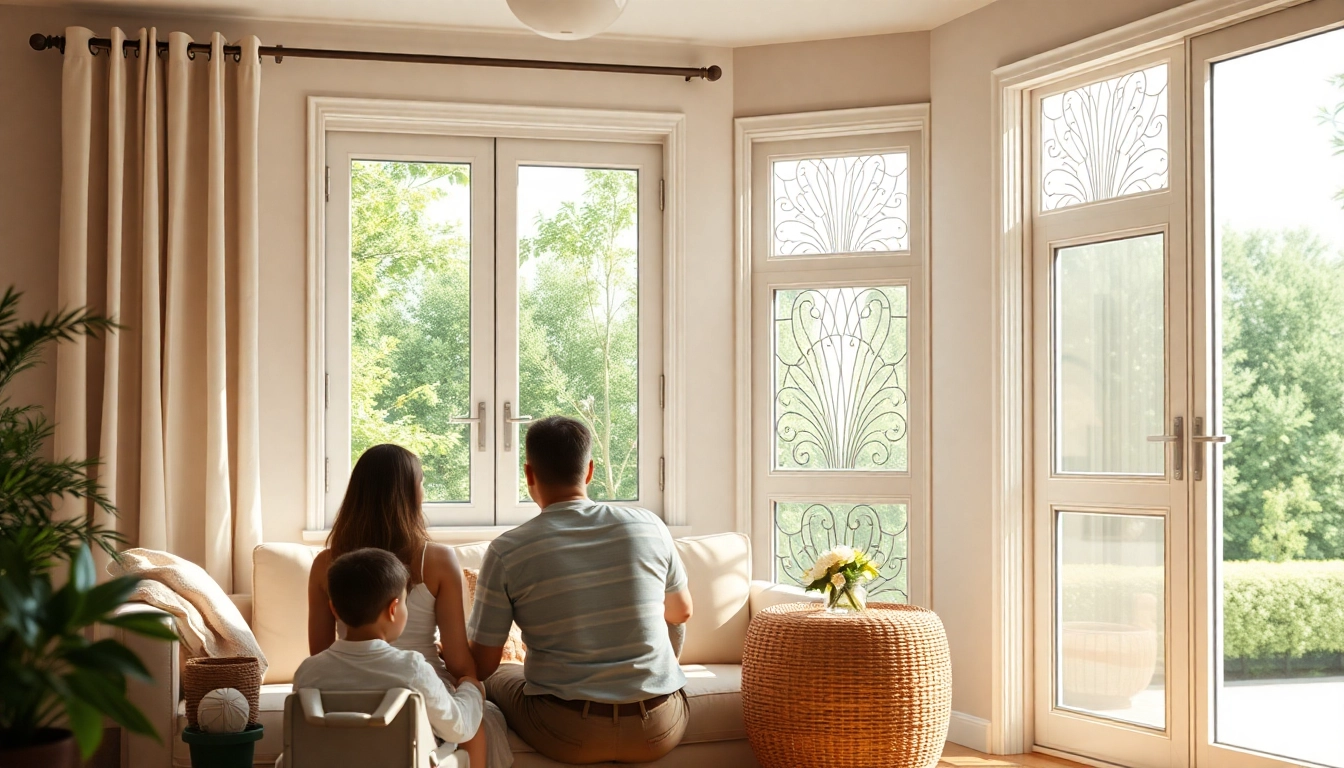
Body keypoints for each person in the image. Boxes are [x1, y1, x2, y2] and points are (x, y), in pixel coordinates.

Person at [467, 416, 694, 765]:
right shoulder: (650, 525)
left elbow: (482, 664)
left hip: (566, 732)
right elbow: (681, 613)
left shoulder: (508, 550)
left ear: (529, 475)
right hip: (660, 727)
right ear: (589, 471)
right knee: (669, 620)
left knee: (500, 672)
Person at [307, 444, 510, 768]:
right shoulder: (439, 560)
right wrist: (472, 686)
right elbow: (459, 661)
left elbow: (320, 652)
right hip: (420, 687)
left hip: (346, 692)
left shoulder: (324, 565)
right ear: (409, 494)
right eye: (422, 484)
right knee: (474, 727)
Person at [293, 548, 485, 749]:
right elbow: (457, 728)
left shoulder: (307, 672)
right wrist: (471, 688)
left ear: (334, 610)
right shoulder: (412, 668)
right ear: (393, 609)